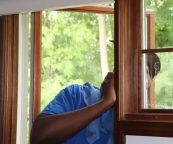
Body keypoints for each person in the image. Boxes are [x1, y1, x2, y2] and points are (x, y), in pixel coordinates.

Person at [30, 54, 161, 144]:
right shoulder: (77, 95)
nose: (131, 77)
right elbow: (38, 137)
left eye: (144, 73)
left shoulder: (140, 122)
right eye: (125, 66)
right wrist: (104, 103)